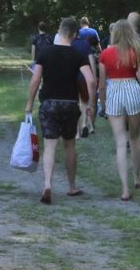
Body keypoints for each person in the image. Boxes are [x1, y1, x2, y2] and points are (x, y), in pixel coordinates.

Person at [24, 17, 97, 204]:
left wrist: (30, 103)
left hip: (49, 103)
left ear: (59, 30)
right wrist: (90, 105)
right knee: (70, 145)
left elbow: (35, 80)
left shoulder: (45, 53)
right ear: (74, 35)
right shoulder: (77, 55)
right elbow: (90, 80)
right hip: (70, 104)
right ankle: (72, 187)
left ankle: (47, 184)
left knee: (49, 146)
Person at [97, 19, 140, 200]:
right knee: (135, 138)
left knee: (120, 142)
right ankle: (137, 176)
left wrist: (103, 105)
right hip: (133, 91)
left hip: (114, 93)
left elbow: (102, 84)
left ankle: (125, 189)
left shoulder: (105, 54)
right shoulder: (136, 52)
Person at [73, 17, 102, 137]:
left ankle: (79, 131)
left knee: (78, 103)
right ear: (88, 23)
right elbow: (95, 53)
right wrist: (95, 76)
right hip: (86, 74)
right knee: (89, 101)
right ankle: (89, 125)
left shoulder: (73, 41)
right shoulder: (92, 34)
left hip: (74, 76)